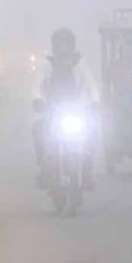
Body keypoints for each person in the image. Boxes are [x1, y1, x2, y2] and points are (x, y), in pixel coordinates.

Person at [33, 28, 101, 189]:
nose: (63, 47)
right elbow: (37, 85)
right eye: (60, 43)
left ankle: (88, 166)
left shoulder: (80, 63)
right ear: (54, 45)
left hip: (77, 110)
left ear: (72, 45)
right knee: (37, 128)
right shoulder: (47, 63)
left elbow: (91, 84)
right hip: (52, 110)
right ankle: (43, 162)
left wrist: (95, 101)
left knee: (93, 129)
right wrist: (37, 100)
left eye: (66, 43)